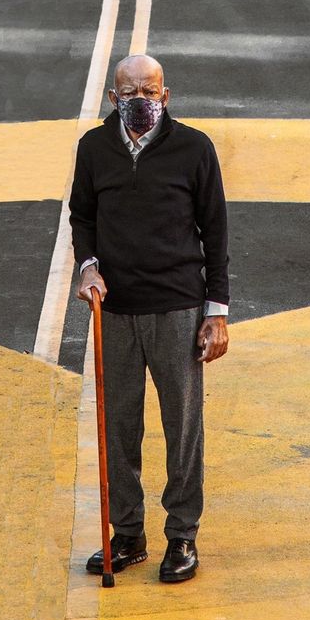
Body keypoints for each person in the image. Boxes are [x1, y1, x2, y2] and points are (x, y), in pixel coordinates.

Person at [69, 53, 229, 583]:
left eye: (151, 90)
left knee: (182, 428)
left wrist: (217, 312)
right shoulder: (94, 148)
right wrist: (88, 267)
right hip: (113, 309)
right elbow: (83, 216)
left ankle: (182, 536)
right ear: (113, 99)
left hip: (179, 308)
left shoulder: (195, 148)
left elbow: (215, 232)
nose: (141, 100)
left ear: (167, 95)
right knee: (119, 427)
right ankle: (129, 534)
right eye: (129, 92)